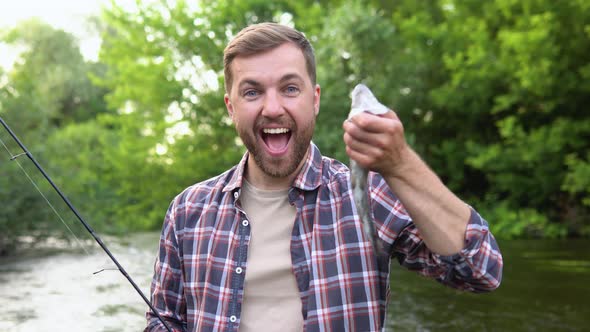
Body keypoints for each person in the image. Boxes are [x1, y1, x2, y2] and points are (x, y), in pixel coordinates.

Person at [145, 22, 503, 332]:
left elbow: (480, 270)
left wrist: (401, 164)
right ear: (231, 106)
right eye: (252, 92)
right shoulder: (188, 211)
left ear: (314, 100)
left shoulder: (368, 193)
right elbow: (165, 321)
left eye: (289, 88)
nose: (272, 108)